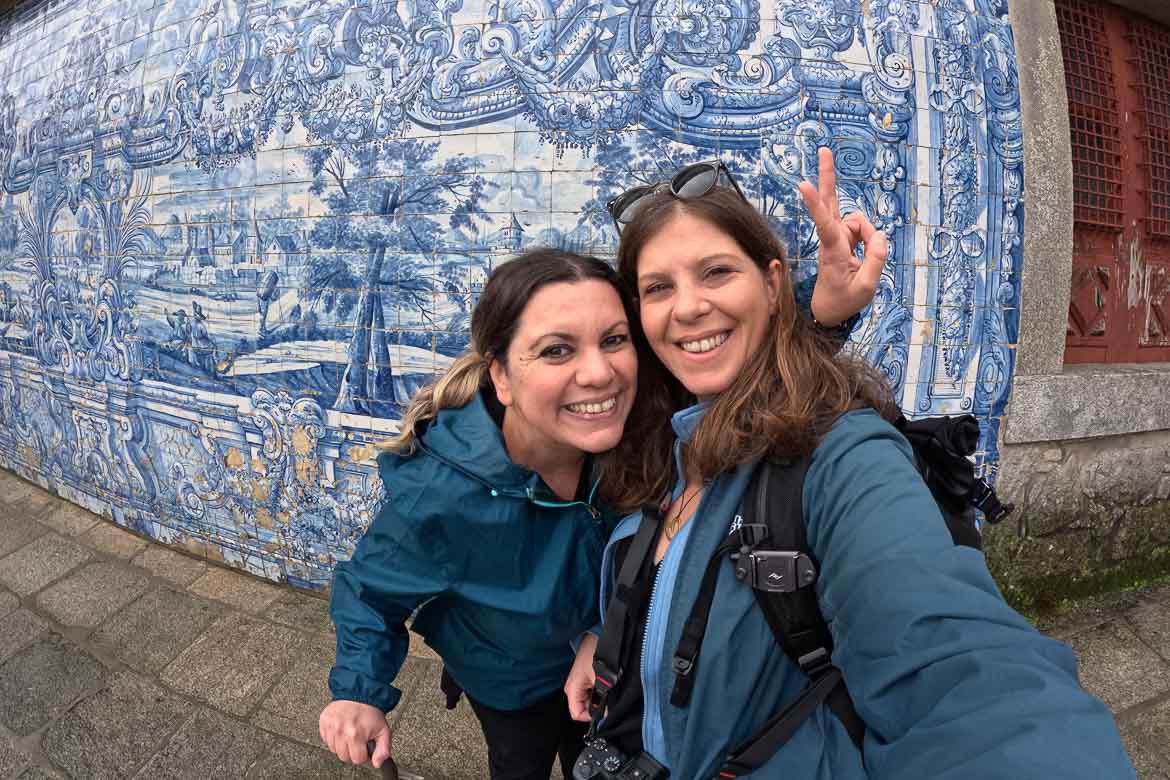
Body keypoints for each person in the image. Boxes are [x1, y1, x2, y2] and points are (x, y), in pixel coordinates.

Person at [564, 149, 1137, 778]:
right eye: (658, 288)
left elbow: (954, 668)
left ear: (773, 284)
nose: (687, 307)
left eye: (717, 272)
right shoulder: (662, 440)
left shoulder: (841, 453)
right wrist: (608, 634)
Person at [320, 236, 877, 776]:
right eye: (556, 350)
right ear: (501, 376)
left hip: (613, 659)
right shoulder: (442, 495)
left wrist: (819, 319)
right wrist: (357, 693)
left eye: (613, 341)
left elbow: (741, 383)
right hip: (511, 685)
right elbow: (369, 592)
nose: (598, 373)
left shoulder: (640, 427)